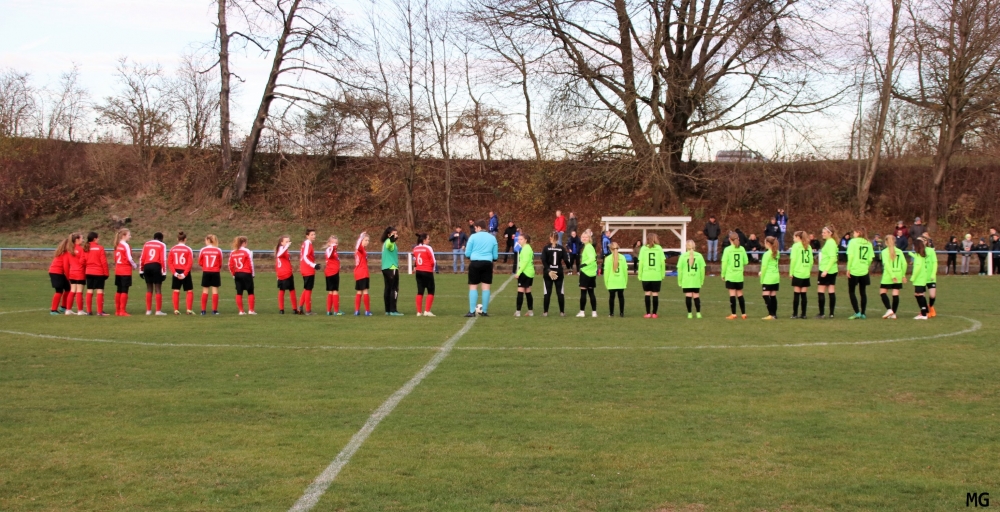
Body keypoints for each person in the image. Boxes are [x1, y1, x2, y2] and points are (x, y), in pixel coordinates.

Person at [465, 220, 499, 317]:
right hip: (487, 263)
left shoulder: (473, 237)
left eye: (475, 228)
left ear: (479, 227)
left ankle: (472, 311)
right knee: (486, 287)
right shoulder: (492, 238)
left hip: (475, 263)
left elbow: (467, 253)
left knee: (473, 286)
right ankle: (484, 311)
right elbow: (495, 256)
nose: (475, 230)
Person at [846, 227, 873, 319]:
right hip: (864, 270)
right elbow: (870, 258)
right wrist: (867, 266)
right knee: (863, 292)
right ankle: (863, 313)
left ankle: (857, 312)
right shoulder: (868, 243)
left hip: (854, 270)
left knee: (851, 291)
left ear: (858, 232)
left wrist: (848, 269)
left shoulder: (853, 242)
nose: (853, 234)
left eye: (854, 232)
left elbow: (850, 256)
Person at [721, 232, 749, 319]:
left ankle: (733, 314)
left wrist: (723, 274)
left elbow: (724, 263)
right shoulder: (742, 249)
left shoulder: (727, 250)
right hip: (739, 275)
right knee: (740, 294)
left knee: (732, 294)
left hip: (730, 275)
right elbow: (746, 261)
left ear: (730, 240)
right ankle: (743, 314)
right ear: (738, 239)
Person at [637, 233, 666, 318]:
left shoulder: (643, 248)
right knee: (655, 294)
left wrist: (640, 274)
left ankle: (648, 313)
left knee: (647, 293)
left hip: (646, 274)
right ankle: (654, 313)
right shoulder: (659, 248)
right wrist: (663, 274)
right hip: (656, 274)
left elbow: (641, 263)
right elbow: (662, 262)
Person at [139, 232, 168, 316]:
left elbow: (142, 258)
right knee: (158, 288)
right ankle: (158, 311)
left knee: (149, 288)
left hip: (147, 266)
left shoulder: (146, 244)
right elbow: (163, 259)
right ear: (161, 238)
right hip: (156, 266)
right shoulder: (162, 245)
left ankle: (148, 311)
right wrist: (164, 272)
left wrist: (141, 270)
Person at [540, 231, 568, 317]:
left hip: (548, 273)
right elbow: (566, 260)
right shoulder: (561, 248)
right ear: (558, 238)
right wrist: (569, 267)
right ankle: (562, 312)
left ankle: (545, 312)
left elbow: (543, 260)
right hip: (558, 272)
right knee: (560, 292)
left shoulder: (546, 248)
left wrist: (548, 270)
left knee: (547, 293)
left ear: (550, 238)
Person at [879, 234, 907, 319]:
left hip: (888, 275)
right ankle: (894, 313)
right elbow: (904, 264)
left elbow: (887, 265)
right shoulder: (899, 251)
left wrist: (892, 275)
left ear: (886, 242)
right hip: (898, 274)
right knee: (895, 293)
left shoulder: (884, 252)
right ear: (895, 241)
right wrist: (903, 275)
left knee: (882, 292)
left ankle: (889, 309)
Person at [167, 231, 195, 316]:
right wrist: (184, 274)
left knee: (176, 290)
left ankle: (176, 310)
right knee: (189, 290)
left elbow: (170, 262)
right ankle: (189, 309)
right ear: (185, 239)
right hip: (185, 271)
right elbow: (190, 263)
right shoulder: (188, 249)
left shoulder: (173, 249)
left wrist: (175, 273)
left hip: (176, 271)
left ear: (177, 239)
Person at [677, 239, 706, 319]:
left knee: (688, 295)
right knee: (696, 296)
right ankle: (698, 313)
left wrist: (680, 281)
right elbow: (702, 270)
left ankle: (689, 313)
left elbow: (680, 270)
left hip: (687, 279)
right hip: (696, 279)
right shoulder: (699, 256)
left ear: (686, 247)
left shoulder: (682, 256)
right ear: (694, 246)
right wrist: (701, 280)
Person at [83, 232, 110, 316]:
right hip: (98, 272)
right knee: (99, 291)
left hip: (89, 272)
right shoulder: (100, 248)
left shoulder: (86, 248)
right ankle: (99, 311)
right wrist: (106, 273)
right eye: (98, 238)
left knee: (89, 290)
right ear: (94, 239)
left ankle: (89, 311)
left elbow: (82, 261)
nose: (99, 239)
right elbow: (103, 262)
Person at [112, 228, 137, 316]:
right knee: (124, 290)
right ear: (124, 235)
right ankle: (122, 311)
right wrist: (134, 265)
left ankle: (117, 310)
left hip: (118, 270)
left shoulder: (117, 245)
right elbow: (129, 258)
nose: (130, 236)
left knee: (119, 290)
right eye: (129, 235)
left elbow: (115, 258)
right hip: (125, 271)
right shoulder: (126, 245)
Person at [228, 236, 256, 315]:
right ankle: (251, 310)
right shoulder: (247, 251)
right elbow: (251, 263)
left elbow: (230, 265)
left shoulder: (233, 252)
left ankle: (241, 311)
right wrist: (253, 274)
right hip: (246, 273)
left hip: (237, 273)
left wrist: (233, 274)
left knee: (239, 292)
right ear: (244, 243)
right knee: (250, 292)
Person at [789, 230, 813, 319]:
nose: (793, 239)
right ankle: (803, 314)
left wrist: (791, 272)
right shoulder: (808, 246)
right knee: (803, 294)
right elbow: (811, 261)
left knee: (796, 294)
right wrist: (808, 270)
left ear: (798, 237)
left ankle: (795, 314)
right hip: (806, 273)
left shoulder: (796, 246)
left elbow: (793, 260)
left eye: (794, 237)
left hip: (798, 272)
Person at [575, 230, 599, 317]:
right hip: (591, 273)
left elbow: (592, 258)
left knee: (584, 292)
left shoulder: (588, 247)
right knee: (591, 292)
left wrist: (583, 264)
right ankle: (594, 312)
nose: (584, 238)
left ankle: (582, 312)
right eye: (583, 237)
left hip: (586, 272)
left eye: (586, 237)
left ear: (589, 238)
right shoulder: (589, 247)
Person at [198, 234, 223, 315]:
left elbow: (200, 262)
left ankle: (203, 311)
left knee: (205, 290)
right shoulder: (218, 250)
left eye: (205, 240)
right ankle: (214, 311)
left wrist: (205, 266)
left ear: (208, 240)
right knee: (215, 290)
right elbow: (220, 262)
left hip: (206, 271)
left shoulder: (203, 250)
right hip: (215, 272)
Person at [816, 227, 838, 319]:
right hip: (832, 270)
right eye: (822, 232)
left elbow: (833, 258)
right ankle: (831, 314)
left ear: (830, 233)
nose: (823, 234)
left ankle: (822, 313)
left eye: (824, 232)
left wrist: (825, 270)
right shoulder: (830, 242)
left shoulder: (830, 243)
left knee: (821, 290)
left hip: (826, 270)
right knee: (831, 290)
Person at [413, 233, 436, 317]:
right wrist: (433, 269)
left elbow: (415, 259)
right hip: (427, 271)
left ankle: (419, 312)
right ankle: (427, 311)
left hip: (418, 271)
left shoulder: (415, 248)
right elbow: (433, 261)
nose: (429, 240)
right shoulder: (428, 248)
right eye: (428, 239)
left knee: (420, 291)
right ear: (424, 240)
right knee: (431, 291)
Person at [275, 235, 299, 315]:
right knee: (291, 290)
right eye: (286, 241)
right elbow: (279, 255)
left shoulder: (282, 249)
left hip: (281, 273)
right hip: (286, 273)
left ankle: (281, 309)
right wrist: (286, 246)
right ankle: (294, 309)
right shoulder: (282, 249)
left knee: (282, 290)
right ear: (281, 243)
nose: (288, 243)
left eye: (289, 241)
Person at [48, 236, 72, 315]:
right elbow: (65, 266)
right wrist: (68, 277)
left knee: (68, 288)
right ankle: (53, 310)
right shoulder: (65, 253)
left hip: (58, 272)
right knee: (59, 291)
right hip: (56, 273)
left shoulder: (62, 252)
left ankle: (63, 307)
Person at [604, 242, 628, 317]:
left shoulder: (608, 258)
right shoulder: (623, 257)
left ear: (610, 249)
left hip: (612, 281)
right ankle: (621, 313)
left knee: (611, 297)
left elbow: (606, 272)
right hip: (621, 280)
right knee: (621, 297)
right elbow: (625, 271)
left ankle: (611, 313)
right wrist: (625, 281)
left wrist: (606, 282)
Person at [299, 228, 320, 315]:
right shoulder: (307, 243)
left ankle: (300, 307)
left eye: (314, 234)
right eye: (312, 235)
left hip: (306, 268)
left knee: (306, 288)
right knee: (308, 289)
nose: (314, 236)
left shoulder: (307, 243)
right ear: (307, 236)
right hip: (307, 269)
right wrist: (313, 265)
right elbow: (305, 257)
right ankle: (308, 310)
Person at [759, 236, 780, 320]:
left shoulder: (767, 254)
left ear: (768, 243)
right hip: (775, 276)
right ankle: (774, 314)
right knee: (773, 295)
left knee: (765, 295)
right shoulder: (777, 252)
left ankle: (771, 314)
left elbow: (764, 267)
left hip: (769, 277)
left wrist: (761, 276)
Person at [64, 233, 86, 315]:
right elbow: (82, 261)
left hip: (72, 272)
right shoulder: (81, 249)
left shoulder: (70, 249)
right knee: (79, 291)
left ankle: (68, 309)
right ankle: (80, 310)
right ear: (77, 239)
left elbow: (66, 263)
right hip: (80, 272)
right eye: (82, 238)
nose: (83, 240)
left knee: (72, 291)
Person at [514, 233, 535, 317]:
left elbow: (525, 262)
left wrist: (518, 273)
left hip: (525, 272)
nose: (519, 241)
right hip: (530, 272)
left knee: (520, 291)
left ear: (526, 240)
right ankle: (530, 311)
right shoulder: (528, 248)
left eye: (521, 239)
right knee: (528, 291)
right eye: (518, 239)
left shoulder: (526, 249)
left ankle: (518, 312)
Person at [323, 235, 344, 315]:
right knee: (335, 291)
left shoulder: (333, 251)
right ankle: (336, 311)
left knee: (331, 291)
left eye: (336, 243)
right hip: (332, 273)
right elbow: (330, 255)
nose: (335, 244)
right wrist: (333, 247)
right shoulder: (330, 250)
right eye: (333, 243)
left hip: (331, 272)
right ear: (329, 243)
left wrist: (338, 265)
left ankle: (329, 311)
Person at [910, 238, 929, 320]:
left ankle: (923, 313)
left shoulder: (918, 257)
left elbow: (917, 268)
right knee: (919, 294)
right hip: (922, 278)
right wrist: (911, 254)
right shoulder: (922, 256)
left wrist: (912, 277)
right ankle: (925, 311)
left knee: (919, 295)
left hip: (919, 279)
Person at [354, 232, 372, 316]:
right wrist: (361, 236)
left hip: (358, 272)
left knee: (359, 292)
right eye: (365, 240)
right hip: (363, 272)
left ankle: (357, 310)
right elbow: (358, 246)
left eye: (368, 240)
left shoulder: (361, 250)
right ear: (361, 240)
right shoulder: (361, 249)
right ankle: (367, 311)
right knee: (365, 291)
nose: (367, 242)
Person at [921, 235, 938, 317]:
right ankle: (925, 311)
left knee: (932, 295)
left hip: (931, 277)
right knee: (922, 295)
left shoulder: (931, 251)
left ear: (926, 242)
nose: (922, 242)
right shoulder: (918, 251)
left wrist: (933, 273)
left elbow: (935, 262)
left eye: (923, 241)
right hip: (922, 277)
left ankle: (930, 306)